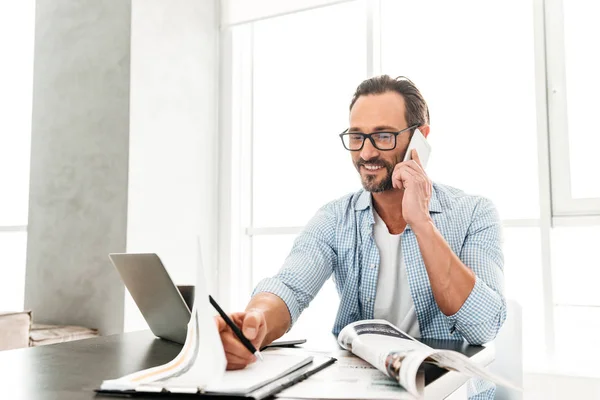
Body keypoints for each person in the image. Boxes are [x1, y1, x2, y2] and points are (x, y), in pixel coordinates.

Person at [215, 75, 506, 399]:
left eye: (383, 136)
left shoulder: (474, 213)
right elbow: (289, 287)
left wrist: (421, 223)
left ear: (420, 139)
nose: (366, 153)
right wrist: (255, 323)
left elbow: (483, 326)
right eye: (356, 137)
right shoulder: (335, 218)